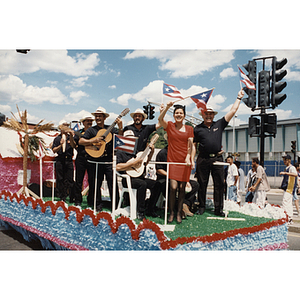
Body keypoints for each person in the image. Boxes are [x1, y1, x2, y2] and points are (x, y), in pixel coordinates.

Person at [193, 89, 244, 217]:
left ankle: (218, 209)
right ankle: (202, 207)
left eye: (210, 114)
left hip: (217, 159)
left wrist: (239, 98)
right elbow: (193, 145)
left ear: (214, 115)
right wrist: (191, 159)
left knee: (219, 185)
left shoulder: (219, 124)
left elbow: (233, 111)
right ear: (202, 115)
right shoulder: (197, 128)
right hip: (203, 159)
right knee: (201, 184)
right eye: (206, 113)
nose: (208, 116)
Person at [79, 107, 122, 212]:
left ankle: (115, 206)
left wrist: (120, 127)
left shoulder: (111, 129)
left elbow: (120, 138)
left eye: (100, 116)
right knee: (95, 184)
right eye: (96, 116)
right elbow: (80, 141)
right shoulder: (91, 130)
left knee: (113, 184)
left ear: (104, 117)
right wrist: (93, 140)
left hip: (108, 162)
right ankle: (97, 205)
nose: (98, 118)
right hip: (94, 162)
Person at [158, 102, 195, 224]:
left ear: (184, 115)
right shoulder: (169, 126)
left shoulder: (189, 128)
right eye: (177, 113)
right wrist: (167, 107)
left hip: (184, 162)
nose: (179, 115)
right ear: (174, 115)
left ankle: (179, 212)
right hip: (172, 161)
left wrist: (189, 157)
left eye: (181, 113)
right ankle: (172, 212)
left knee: (182, 188)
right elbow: (160, 118)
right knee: (173, 188)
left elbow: (190, 145)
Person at [116, 130, 162, 220]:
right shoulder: (120, 152)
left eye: (132, 140)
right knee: (142, 184)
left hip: (139, 176)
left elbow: (145, 162)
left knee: (157, 184)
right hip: (127, 179)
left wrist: (151, 152)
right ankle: (140, 212)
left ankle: (150, 208)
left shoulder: (137, 151)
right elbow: (117, 166)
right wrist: (133, 163)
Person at [156, 142, 199, 217]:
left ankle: (185, 204)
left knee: (195, 185)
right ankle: (179, 207)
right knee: (168, 186)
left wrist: (186, 180)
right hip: (165, 178)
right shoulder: (162, 153)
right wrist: (170, 175)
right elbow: (159, 169)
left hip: (178, 177)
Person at [52, 120, 76, 202]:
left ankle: (71, 196)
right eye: (64, 126)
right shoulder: (57, 138)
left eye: (67, 125)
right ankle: (62, 196)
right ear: (60, 128)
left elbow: (73, 145)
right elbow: (54, 150)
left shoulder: (70, 138)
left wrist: (71, 136)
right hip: (60, 159)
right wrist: (60, 145)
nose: (66, 127)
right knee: (60, 178)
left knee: (70, 178)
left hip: (68, 159)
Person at [73, 114, 94, 206]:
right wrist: (70, 136)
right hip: (81, 157)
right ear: (83, 122)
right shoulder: (79, 132)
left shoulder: (94, 131)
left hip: (92, 157)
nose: (89, 122)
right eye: (87, 121)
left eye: (91, 121)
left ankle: (91, 200)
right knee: (79, 180)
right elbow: (74, 146)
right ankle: (78, 200)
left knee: (92, 180)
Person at [280, 154, 298, 224]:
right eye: (284, 160)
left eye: (285, 160)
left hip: (289, 188)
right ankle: (289, 218)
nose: (284, 161)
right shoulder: (287, 168)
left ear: (289, 160)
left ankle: (287, 218)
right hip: (287, 188)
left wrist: (285, 173)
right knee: (288, 203)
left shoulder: (291, 168)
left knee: (285, 203)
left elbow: (295, 174)